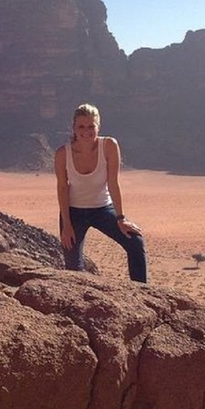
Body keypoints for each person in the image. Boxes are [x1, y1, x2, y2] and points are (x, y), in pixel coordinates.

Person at [54, 103, 147, 283]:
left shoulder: (109, 146)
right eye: (81, 126)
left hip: (103, 209)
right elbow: (62, 189)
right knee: (74, 269)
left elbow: (113, 183)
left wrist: (121, 219)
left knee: (135, 242)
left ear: (98, 126)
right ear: (73, 128)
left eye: (91, 126)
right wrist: (66, 225)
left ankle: (143, 293)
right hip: (74, 212)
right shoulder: (62, 154)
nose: (86, 131)